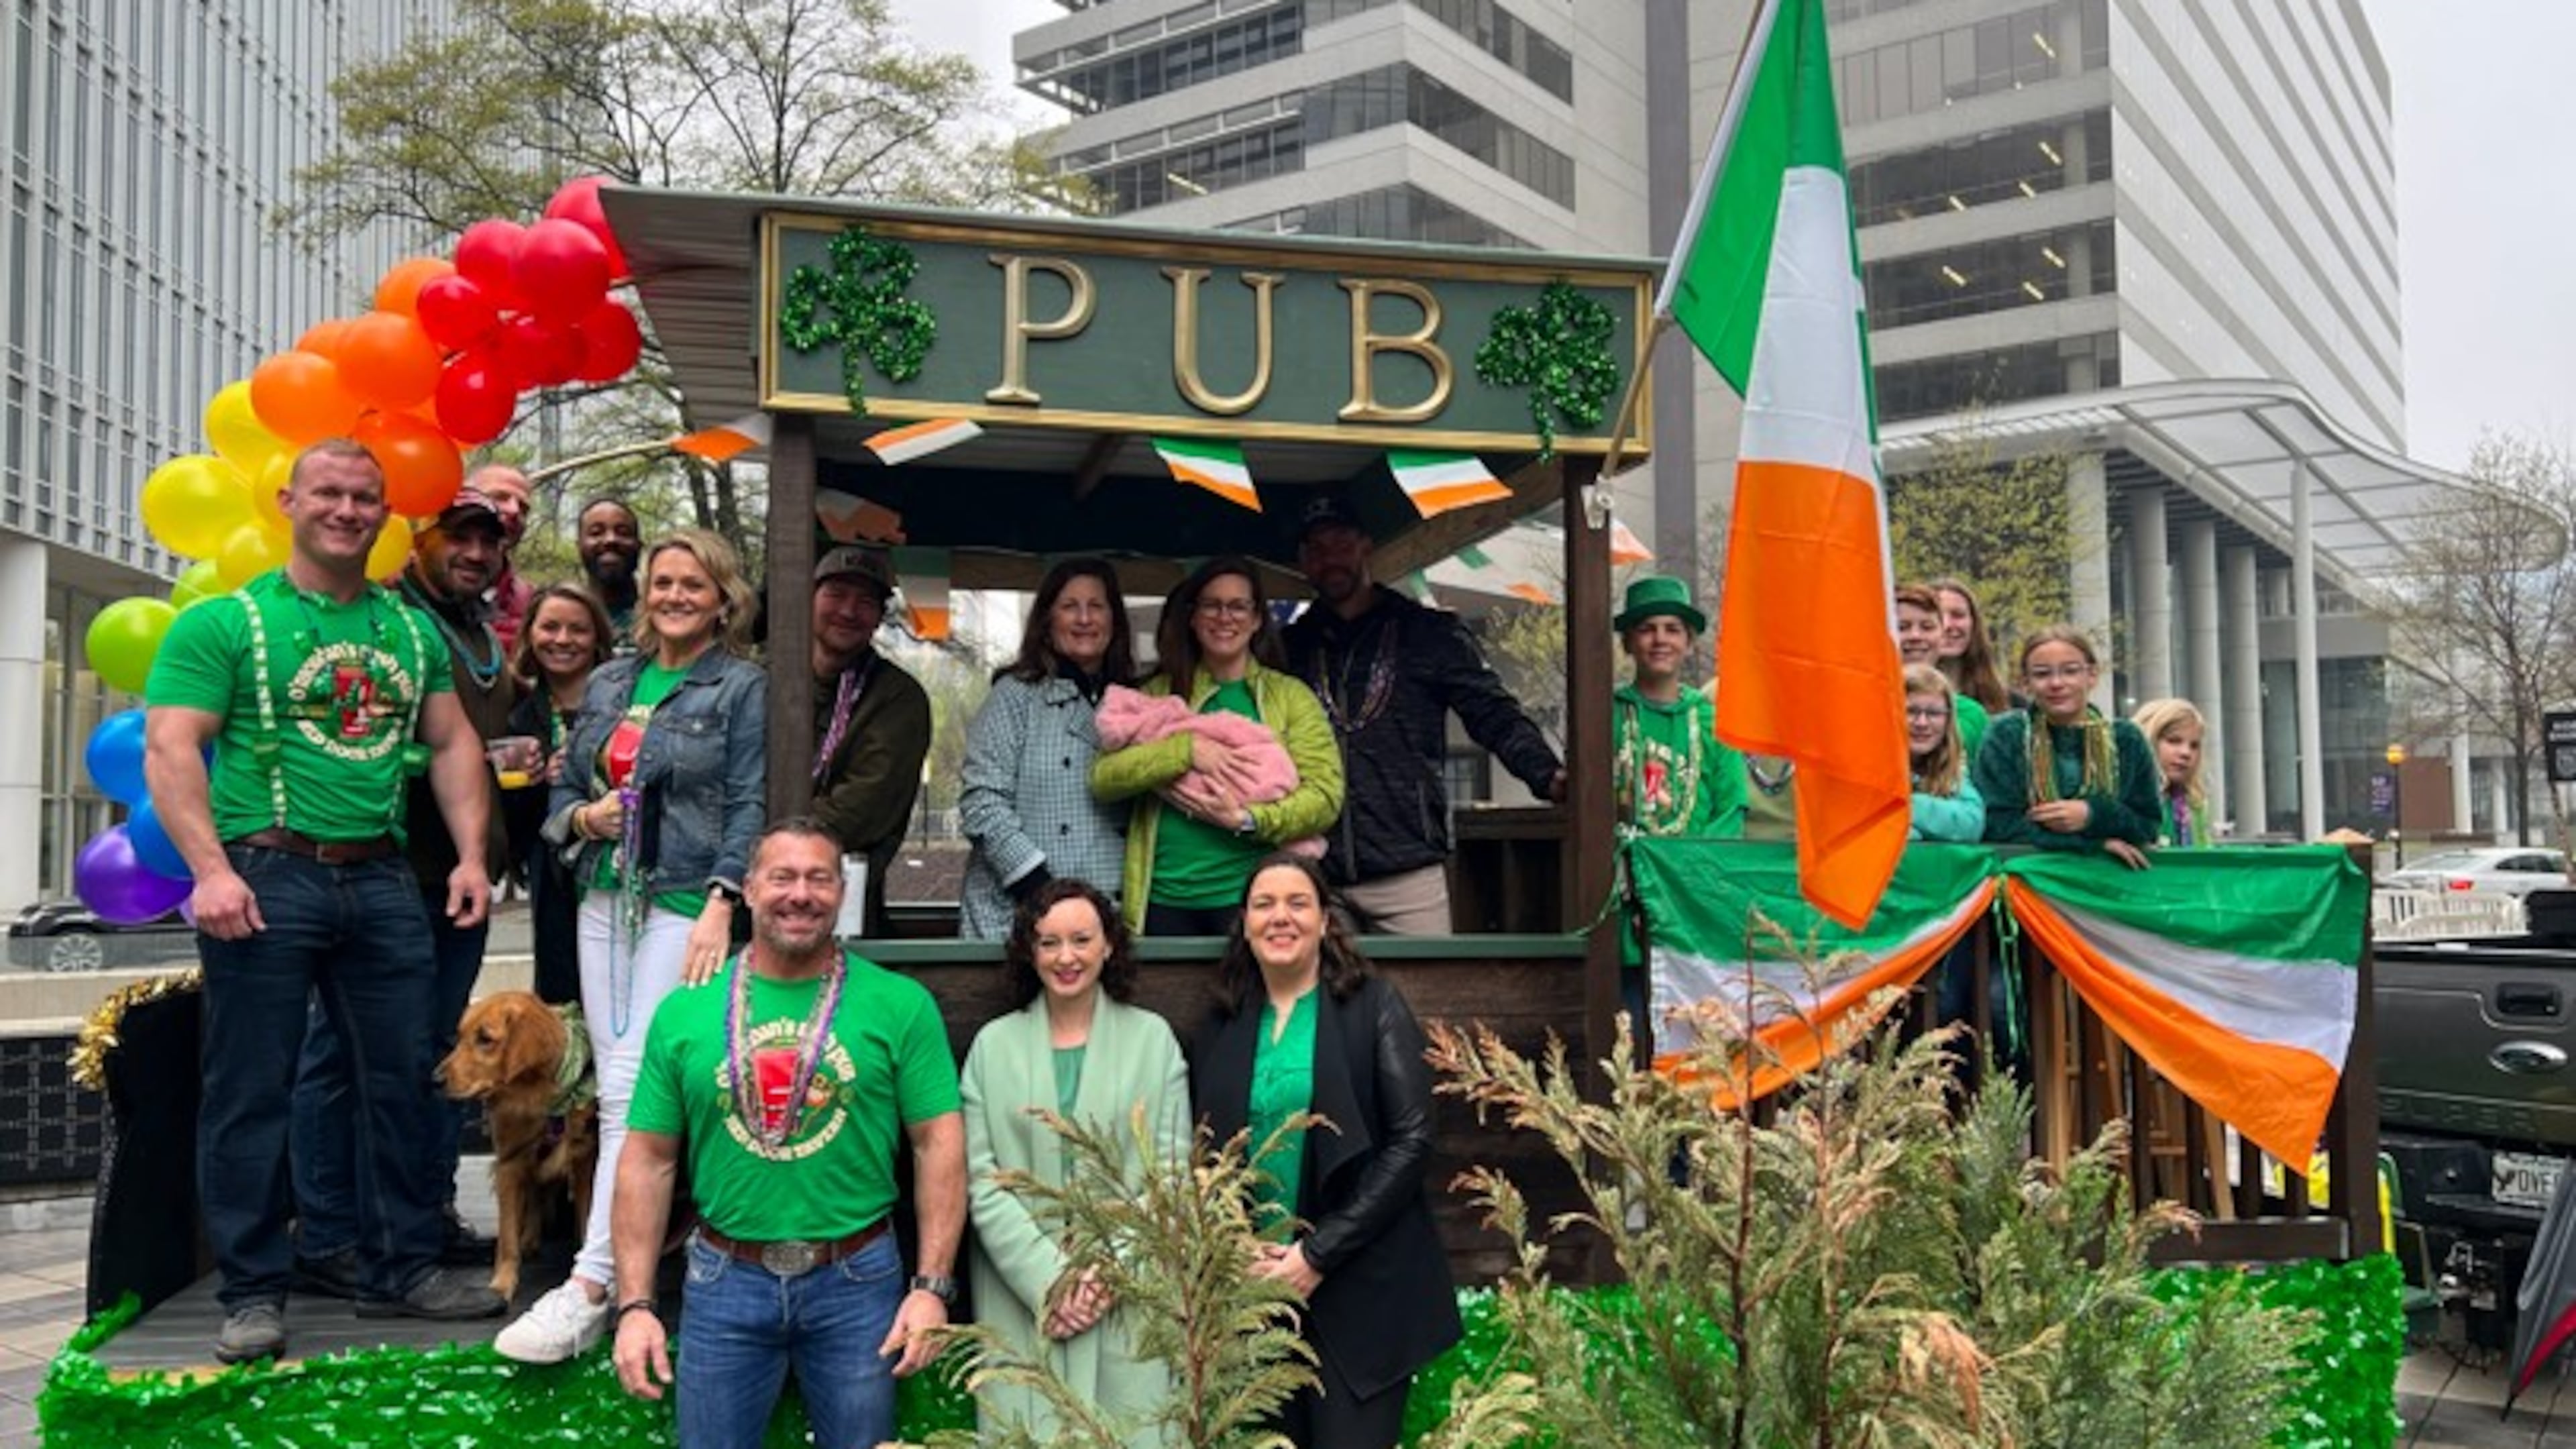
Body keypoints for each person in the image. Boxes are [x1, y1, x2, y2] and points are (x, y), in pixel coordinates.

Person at [142, 438, 504, 1362]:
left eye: (366, 498)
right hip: (267, 874)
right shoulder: (227, 623)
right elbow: (172, 747)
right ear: (288, 501)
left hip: (382, 876)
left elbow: (455, 743)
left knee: (404, 1079)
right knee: (250, 1088)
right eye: (331, 494)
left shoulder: (409, 630)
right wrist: (211, 871)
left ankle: (401, 1268)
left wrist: (469, 856)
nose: (348, 510)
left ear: (386, 515)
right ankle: (253, 1289)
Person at [498, 528, 769, 1364]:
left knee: (626, 1084)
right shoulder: (613, 680)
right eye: (663, 582)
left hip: (685, 904)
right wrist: (585, 818)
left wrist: (725, 904)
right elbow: (565, 794)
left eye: (694, 583)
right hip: (601, 899)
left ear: (723, 597)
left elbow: (752, 802)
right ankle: (629, 1273)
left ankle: (589, 1283)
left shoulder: (741, 686)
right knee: (621, 1092)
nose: (675, 595)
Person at [609, 819, 965, 1449]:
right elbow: (648, 1161)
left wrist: (932, 1287)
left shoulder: (900, 1004)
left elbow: (938, 1144)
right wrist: (634, 1305)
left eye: (818, 879)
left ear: (841, 893)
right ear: (748, 890)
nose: (800, 894)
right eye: (782, 877)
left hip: (857, 1282)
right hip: (725, 1281)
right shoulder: (685, 1012)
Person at [289, 485, 521, 1293]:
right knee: (339, 1056)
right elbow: (367, 738)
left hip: (462, 880)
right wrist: (448, 765)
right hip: (385, 872)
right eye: (459, 537)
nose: (476, 554)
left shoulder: (477, 631)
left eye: (489, 543)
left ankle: (421, 1215)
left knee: (433, 1055)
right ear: (417, 538)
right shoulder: (384, 622)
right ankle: (326, 1232)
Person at [1190, 854, 1460, 1448]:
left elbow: (1412, 1141)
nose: (1279, 917)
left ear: (1323, 921)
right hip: (1255, 1300)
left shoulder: (1374, 1008)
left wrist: (1316, 1254)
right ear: (1245, 923)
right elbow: (1201, 1156)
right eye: (1264, 905)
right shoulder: (1222, 1023)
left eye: (1297, 903)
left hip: (1359, 1290)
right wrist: (1235, 1248)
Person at [960, 877, 1187, 1442]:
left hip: (1128, 1296)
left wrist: (1101, 1276)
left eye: (1082, 940)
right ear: (1028, 951)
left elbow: (1172, 1175)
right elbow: (983, 1183)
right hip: (1023, 1302)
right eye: (1049, 942)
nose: (1067, 957)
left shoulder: (1153, 1041)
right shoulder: (993, 1047)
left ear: (1109, 944)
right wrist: (1052, 1282)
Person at [1286, 496, 1561, 934]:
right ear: (1302, 562)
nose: (1329, 558)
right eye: (1315, 549)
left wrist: (1547, 774)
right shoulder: (1290, 647)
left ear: (1365, 546)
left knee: (1427, 998)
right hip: (1316, 870)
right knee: (1320, 1001)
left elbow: (1491, 711)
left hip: (1409, 865)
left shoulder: (1427, 632)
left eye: (1340, 543)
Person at [1092, 556, 1342, 936]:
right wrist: (1185, 750)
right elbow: (1102, 778)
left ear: (1257, 619)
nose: (1225, 617)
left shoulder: (1291, 697)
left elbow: (1325, 798)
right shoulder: (1158, 693)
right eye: (1212, 605)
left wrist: (1248, 820)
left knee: (1251, 998)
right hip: (1162, 897)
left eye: (1238, 606)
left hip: (1256, 899)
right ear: (1193, 617)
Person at [958, 557, 1136, 941]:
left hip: (1107, 922)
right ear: (1047, 620)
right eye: (1070, 606)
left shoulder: (1137, 703)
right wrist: (1041, 892)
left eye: (1097, 606)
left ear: (1115, 620)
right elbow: (982, 803)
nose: (1084, 619)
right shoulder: (1014, 697)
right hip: (1017, 915)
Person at [1611, 576, 1745, 1035]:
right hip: (1626, 903)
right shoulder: (1606, 713)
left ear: (1689, 642)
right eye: (1648, 628)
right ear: (1629, 641)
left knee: (1693, 1027)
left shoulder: (1714, 719)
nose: (1660, 639)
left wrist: (1683, 878)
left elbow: (1731, 810)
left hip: (1692, 903)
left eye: (1673, 629)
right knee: (1629, 1026)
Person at [808, 545, 932, 938]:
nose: (848, 611)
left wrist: (770, 839)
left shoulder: (898, 697)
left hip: (847, 897)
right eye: (836, 595)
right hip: (741, 892)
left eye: (865, 601)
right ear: (807, 599)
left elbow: (862, 809)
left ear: (880, 617)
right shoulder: (761, 681)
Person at [505, 583, 616, 1006]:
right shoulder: (521, 715)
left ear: (598, 639)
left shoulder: (627, 700)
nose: (563, 640)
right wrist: (534, 785)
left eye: (578, 629)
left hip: (622, 871)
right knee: (564, 998)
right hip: (555, 884)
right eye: (550, 627)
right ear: (531, 634)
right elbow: (514, 826)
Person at [1972, 626, 2159, 869]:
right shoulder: (2006, 735)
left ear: (2092, 675)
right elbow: (1996, 822)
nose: (2056, 683)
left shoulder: (2127, 739)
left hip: (2110, 883)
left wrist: (2092, 815)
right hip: (2027, 880)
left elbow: (2147, 825)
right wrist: (2088, 845)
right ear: (2025, 683)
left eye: (2070, 671)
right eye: (2042, 674)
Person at [1898, 583, 1986, 757]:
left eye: (1927, 627)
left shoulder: (1971, 715)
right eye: (1903, 627)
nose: (1916, 636)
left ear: (1941, 634)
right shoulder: (1864, 705)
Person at [1904, 664, 1983, 843]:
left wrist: (1905, 807)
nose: (1922, 723)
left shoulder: (1952, 767)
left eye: (1933, 714)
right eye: (1911, 711)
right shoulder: (1863, 765)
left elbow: (1971, 823)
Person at [469, 464, 537, 656]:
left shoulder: (533, 603)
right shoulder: (410, 582)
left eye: (524, 509)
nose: (515, 510)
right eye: (499, 497)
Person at [2131, 697, 2212, 846]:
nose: (2186, 753)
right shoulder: (2120, 801)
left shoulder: (2195, 806)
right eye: (2174, 741)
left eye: (2194, 746)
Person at [1931, 578, 2011, 716]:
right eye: (1938, 615)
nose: (1947, 625)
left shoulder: (2008, 701)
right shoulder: (1898, 695)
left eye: (1958, 615)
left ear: (1974, 624)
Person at [577, 498, 643, 641]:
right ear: (579, 546)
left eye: (623, 532)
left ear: (639, 545)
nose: (611, 540)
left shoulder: (662, 616)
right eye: (596, 533)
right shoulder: (565, 616)